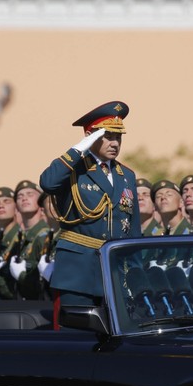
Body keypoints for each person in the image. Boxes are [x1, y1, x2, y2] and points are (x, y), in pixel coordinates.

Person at [39, 100, 140, 306]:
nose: (115, 143)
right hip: (78, 272)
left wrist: (136, 276)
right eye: (107, 136)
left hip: (114, 273)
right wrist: (78, 150)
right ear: (90, 136)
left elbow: (134, 230)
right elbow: (48, 183)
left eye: (118, 137)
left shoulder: (126, 175)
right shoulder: (74, 168)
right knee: (77, 335)